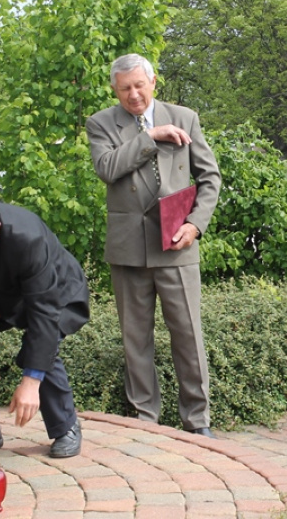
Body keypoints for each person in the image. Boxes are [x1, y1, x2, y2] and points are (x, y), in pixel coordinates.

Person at [86, 53, 221, 438]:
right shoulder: (100, 124)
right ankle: (146, 422)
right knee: (135, 339)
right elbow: (108, 168)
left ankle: (198, 422)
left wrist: (196, 224)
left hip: (177, 244)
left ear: (153, 82)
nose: (133, 95)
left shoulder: (185, 117)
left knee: (189, 336)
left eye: (139, 86)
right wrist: (149, 137)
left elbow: (210, 179)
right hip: (129, 249)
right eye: (125, 88)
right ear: (115, 88)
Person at [0, 192, 90, 457]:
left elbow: (43, 315)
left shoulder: (27, 237)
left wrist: (31, 382)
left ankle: (65, 427)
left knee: (38, 350)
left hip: (54, 294)